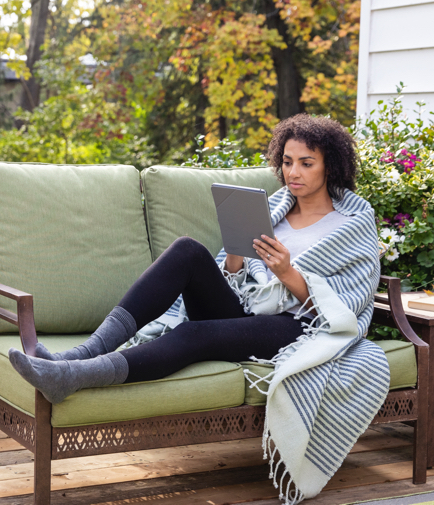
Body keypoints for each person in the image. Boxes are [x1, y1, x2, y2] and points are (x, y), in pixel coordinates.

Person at [9, 114, 388, 504]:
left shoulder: (352, 223)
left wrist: (288, 273)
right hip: (250, 312)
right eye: (288, 161)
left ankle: (74, 375)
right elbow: (236, 278)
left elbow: (342, 309)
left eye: (306, 163)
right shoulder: (275, 207)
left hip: (299, 327)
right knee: (187, 250)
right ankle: (79, 354)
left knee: (192, 333)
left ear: (332, 166)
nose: (293, 172)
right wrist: (238, 256)